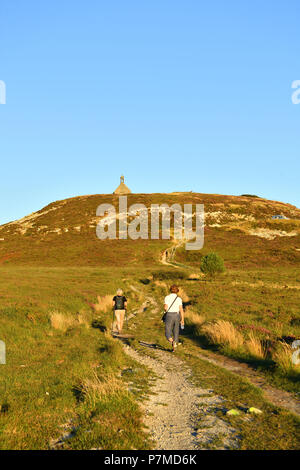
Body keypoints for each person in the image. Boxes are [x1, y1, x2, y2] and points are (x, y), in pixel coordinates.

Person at [163, 285, 184, 352]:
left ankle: (171, 341)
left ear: (170, 290)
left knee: (168, 331)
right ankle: (174, 347)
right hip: (177, 315)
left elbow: (165, 308)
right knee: (176, 330)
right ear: (177, 291)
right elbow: (181, 309)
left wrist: (165, 310)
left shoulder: (167, 297)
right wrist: (182, 319)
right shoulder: (179, 299)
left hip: (169, 315)